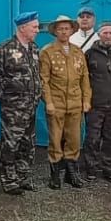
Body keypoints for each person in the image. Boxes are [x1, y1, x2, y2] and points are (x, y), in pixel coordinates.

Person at [0, 12, 43, 196]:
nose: (37, 30)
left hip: (31, 106)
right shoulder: (4, 48)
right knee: (11, 145)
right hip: (13, 108)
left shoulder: (34, 48)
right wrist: (6, 98)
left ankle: (22, 176)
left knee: (28, 144)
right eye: (34, 27)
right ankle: (9, 181)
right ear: (22, 28)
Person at [39, 14, 92, 190]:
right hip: (57, 103)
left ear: (71, 31)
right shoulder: (47, 52)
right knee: (55, 139)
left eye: (66, 28)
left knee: (74, 139)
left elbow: (84, 78)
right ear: (55, 31)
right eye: (60, 29)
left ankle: (71, 173)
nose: (63, 31)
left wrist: (86, 100)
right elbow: (43, 80)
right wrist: (48, 102)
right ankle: (55, 175)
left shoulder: (78, 52)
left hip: (76, 103)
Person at [82, 19, 111, 182]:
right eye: (104, 33)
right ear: (99, 34)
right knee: (93, 137)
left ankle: (108, 168)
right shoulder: (90, 53)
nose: (108, 36)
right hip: (95, 104)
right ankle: (91, 168)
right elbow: (84, 79)